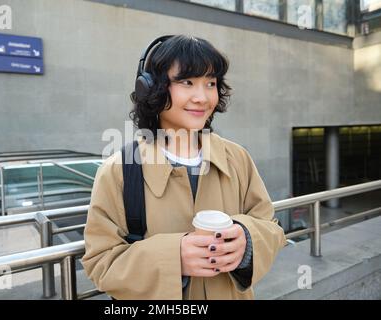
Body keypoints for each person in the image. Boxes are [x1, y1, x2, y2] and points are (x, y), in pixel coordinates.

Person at [81, 35, 287, 300]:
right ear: (151, 88)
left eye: (210, 83)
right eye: (187, 82)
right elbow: (100, 263)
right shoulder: (120, 170)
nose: (202, 97)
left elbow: (271, 227)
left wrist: (247, 241)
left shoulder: (238, 158)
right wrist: (173, 257)